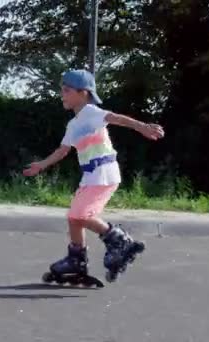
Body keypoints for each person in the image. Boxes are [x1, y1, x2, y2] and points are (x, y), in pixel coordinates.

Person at [23, 69, 165, 282]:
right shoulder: (73, 124)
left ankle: (120, 241)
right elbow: (62, 151)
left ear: (84, 93)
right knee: (74, 217)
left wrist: (142, 127)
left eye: (67, 90)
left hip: (104, 173)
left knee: (81, 215)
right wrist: (41, 166)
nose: (62, 94)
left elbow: (116, 118)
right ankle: (76, 260)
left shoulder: (91, 111)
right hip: (91, 176)